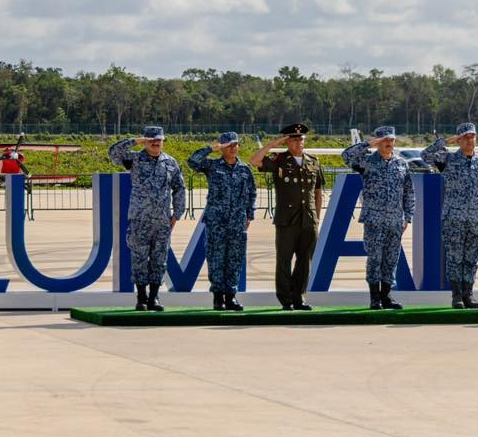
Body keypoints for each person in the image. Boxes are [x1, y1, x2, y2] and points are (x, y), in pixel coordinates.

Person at [108, 125, 186, 311]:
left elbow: (179, 187)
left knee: (160, 259)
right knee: (139, 258)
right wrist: (137, 141)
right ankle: (141, 297)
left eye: (158, 139)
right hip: (140, 218)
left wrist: (177, 213)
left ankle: (154, 297)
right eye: (151, 140)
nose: (155, 143)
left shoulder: (170, 162)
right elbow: (113, 153)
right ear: (146, 141)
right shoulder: (135, 159)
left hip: (162, 220)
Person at [250, 123, 325, 310]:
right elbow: (255, 161)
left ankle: (299, 298)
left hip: (308, 219)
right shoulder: (280, 160)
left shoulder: (313, 162)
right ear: (287, 141)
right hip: (287, 219)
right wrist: (273, 145)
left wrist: (316, 217)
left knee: (304, 261)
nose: (299, 142)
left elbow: (318, 192)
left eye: (301, 138)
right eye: (294, 139)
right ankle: (286, 300)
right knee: (284, 260)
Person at [422, 122, 478, 309]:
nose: (469, 140)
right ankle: (457, 296)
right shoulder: (447, 159)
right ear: (458, 140)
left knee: (472, 258)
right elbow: (425, 156)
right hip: (453, 217)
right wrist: (445, 142)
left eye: (472, 136)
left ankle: (468, 294)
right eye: (465, 137)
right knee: (455, 257)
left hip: (477, 218)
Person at [341, 125, 414, 310]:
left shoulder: (401, 164)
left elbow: (408, 192)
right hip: (374, 219)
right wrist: (368, 144)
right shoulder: (367, 162)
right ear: (378, 142)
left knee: (391, 259)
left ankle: (387, 296)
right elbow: (346, 156)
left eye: (391, 140)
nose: (389, 143)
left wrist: (408, 216)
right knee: (375, 259)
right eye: (384, 140)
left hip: (395, 220)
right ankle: (375, 298)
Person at [187, 132, 258, 310]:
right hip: (216, 221)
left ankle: (231, 296)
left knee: (235, 259)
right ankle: (218, 297)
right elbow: (193, 162)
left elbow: (251, 193)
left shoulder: (244, 170)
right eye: (229, 145)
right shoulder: (212, 166)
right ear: (222, 147)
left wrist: (249, 215)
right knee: (216, 258)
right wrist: (211, 148)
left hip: (237, 221)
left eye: (235, 145)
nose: (233, 148)